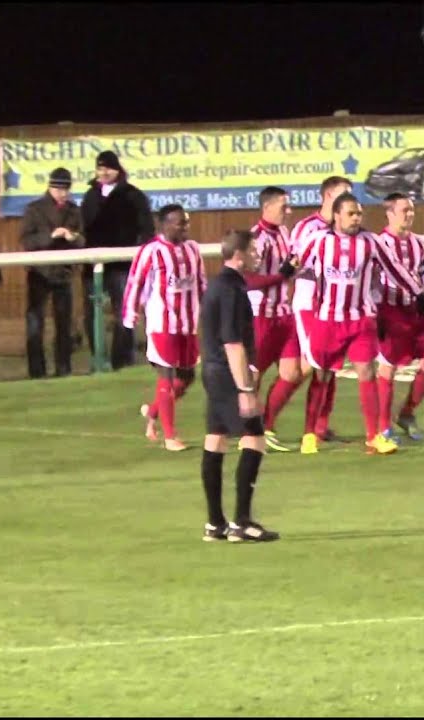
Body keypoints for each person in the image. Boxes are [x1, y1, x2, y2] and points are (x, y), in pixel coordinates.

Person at [297, 192, 424, 456]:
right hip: (327, 320)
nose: (356, 218)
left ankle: (374, 436)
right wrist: (302, 307)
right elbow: (300, 267)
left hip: (360, 319)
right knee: (320, 376)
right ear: (336, 216)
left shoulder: (371, 242)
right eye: (351, 214)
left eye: (359, 213)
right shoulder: (318, 242)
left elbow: (395, 268)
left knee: (367, 373)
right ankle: (310, 434)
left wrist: (418, 292)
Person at [198, 228, 280, 542]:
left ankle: (215, 524)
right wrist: (246, 390)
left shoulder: (217, 284)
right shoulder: (231, 289)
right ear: (240, 254)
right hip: (228, 374)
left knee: (216, 439)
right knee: (254, 438)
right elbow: (233, 343)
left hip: (212, 371)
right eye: (254, 250)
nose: (258, 255)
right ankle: (242, 522)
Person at [122, 204, 205, 452]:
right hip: (161, 324)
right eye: (180, 223)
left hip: (188, 324)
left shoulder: (193, 250)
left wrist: (209, 311)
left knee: (187, 377)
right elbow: (135, 282)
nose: (185, 227)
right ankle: (170, 436)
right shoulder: (151, 252)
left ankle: (154, 411)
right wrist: (130, 313)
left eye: (187, 222)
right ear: (165, 225)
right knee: (166, 376)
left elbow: (200, 283)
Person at [288, 176, 354, 443]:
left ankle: (320, 426)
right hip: (309, 301)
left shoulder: (347, 229)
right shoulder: (308, 227)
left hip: (335, 305)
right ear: (327, 196)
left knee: (330, 365)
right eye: (343, 194)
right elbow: (296, 262)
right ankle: (268, 416)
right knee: (313, 364)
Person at [375, 193, 424, 442]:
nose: (410, 215)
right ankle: (383, 427)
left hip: (417, 311)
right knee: (388, 367)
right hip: (390, 311)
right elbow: (374, 281)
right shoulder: (379, 244)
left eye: (412, 210)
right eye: (405, 210)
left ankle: (406, 413)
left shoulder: (417, 243)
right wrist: (376, 313)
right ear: (390, 214)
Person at [81, 150, 154, 371]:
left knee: (124, 313)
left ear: (117, 170)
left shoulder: (132, 195)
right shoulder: (90, 196)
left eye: (108, 168)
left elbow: (146, 228)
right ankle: (98, 360)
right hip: (92, 264)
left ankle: (121, 361)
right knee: (91, 314)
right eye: (100, 168)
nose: (103, 172)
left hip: (122, 265)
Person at [243, 186, 300, 451]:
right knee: (254, 375)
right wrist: (281, 275)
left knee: (293, 372)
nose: (288, 212)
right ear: (267, 207)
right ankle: (249, 433)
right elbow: (247, 280)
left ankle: (266, 424)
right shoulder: (256, 238)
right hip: (261, 316)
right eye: (283, 207)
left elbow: (287, 271)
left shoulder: (285, 234)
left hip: (284, 314)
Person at [20, 167, 85, 379]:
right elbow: (27, 241)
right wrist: (50, 236)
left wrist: (73, 238)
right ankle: (36, 371)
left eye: (66, 189)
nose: (63, 194)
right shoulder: (34, 209)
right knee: (35, 323)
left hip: (63, 273)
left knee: (64, 324)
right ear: (50, 187)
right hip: (39, 273)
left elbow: (83, 240)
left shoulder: (74, 211)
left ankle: (63, 368)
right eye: (59, 189)